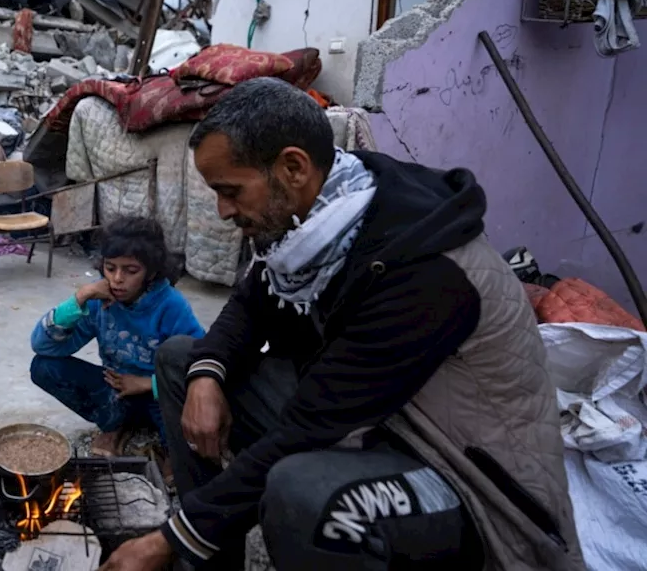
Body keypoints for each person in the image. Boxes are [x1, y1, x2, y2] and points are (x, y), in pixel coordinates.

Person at [99, 78, 583, 571]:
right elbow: (250, 304)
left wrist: (169, 539)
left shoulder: (425, 271)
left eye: (230, 191)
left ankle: (197, 542)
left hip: (459, 474)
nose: (224, 211)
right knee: (183, 360)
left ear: (293, 167)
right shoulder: (314, 223)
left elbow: (310, 427)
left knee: (304, 495)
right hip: (371, 420)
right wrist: (206, 374)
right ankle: (212, 562)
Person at [30, 217, 205, 463]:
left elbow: (202, 363)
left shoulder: (171, 305)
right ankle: (116, 425)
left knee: (187, 452)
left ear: (151, 272)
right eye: (110, 268)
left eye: (130, 271)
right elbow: (43, 345)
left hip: (162, 393)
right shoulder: (99, 301)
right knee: (43, 366)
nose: (117, 279)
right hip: (117, 390)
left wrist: (148, 384)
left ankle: (166, 446)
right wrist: (81, 297)